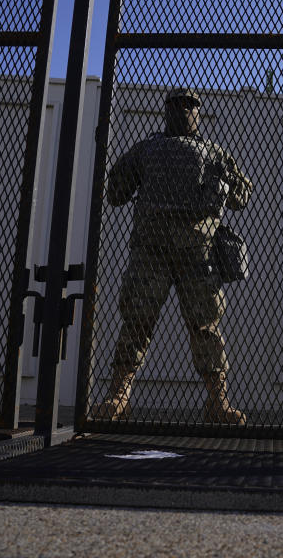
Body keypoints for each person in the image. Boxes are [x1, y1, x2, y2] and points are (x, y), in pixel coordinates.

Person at [93, 87, 253, 424]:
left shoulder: (214, 153)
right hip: (151, 252)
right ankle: (119, 395)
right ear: (166, 109)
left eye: (191, 104)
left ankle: (217, 401)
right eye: (177, 104)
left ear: (199, 111)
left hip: (198, 255)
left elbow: (242, 197)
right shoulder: (147, 149)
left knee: (206, 326)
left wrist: (224, 183)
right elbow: (116, 192)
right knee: (136, 321)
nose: (184, 109)